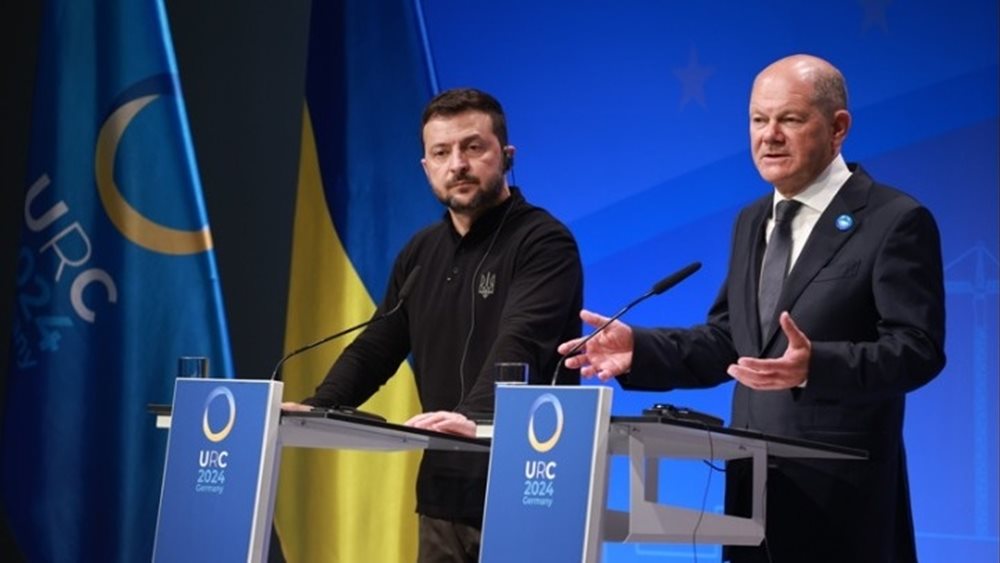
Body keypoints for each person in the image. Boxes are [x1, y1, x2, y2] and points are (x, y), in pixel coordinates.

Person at [559, 54, 945, 563]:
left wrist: (815, 366)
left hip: (841, 500)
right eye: (759, 120)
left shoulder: (894, 219)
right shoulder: (752, 220)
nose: (770, 136)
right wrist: (641, 349)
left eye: (790, 119)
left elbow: (917, 349)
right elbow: (732, 341)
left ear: (838, 128)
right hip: (752, 495)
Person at [283, 87, 583, 562]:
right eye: (441, 153)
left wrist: (475, 418)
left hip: (530, 487)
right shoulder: (420, 253)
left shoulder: (544, 243)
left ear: (507, 155)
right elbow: (377, 346)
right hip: (442, 493)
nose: (457, 164)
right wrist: (319, 407)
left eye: (473, 147)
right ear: (426, 167)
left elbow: (521, 341)